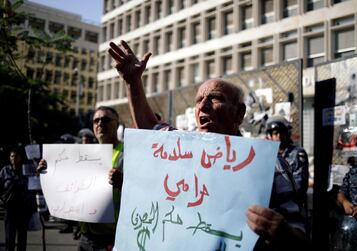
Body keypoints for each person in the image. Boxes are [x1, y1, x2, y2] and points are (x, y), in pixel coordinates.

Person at [108, 40, 311, 250]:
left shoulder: (270, 167)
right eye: (198, 100)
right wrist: (132, 81)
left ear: (239, 113)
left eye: (215, 98)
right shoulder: (180, 150)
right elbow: (150, 128)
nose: (203, 106)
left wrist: (283, 233)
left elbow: (301, 238)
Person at [37, 106, 124, 251]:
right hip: (86, 237)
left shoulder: (127, 153)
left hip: (113, 237)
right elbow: (66, 182)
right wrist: (47, 170)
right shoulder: (84, 154)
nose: (100, 123)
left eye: (106, 119)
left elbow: (141, 190)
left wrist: (123, 182)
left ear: (117, 124)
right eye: (96, 120)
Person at [0, 148, 35, 251]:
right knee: (9, 238)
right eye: (12, 156)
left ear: (20, 158)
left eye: (16, 156)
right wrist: (2, 199)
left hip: (23, 208)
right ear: (9, 158)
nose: (14, 158)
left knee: (22, 238)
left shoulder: (26, 170)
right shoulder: (5, 170)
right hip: (10, 208)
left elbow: (33, 185)